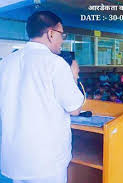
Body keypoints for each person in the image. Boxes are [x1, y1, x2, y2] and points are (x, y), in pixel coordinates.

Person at [0, 11, 84, 183]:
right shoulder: (55, 63)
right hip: (45, 161)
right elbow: (75, 108)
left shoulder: (6, 62)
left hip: (14, 157)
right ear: (51, 33)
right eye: (62, 35)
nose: (62, 40)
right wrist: (74, 75)